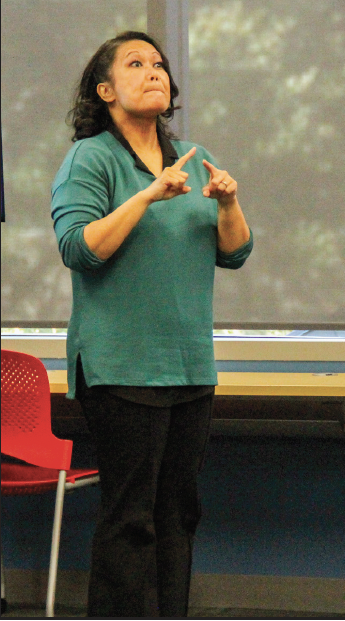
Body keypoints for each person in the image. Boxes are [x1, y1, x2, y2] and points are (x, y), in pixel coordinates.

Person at [50, 31, 253, 617]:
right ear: (105, 89)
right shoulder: (91, 157)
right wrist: (147, 197)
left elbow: (235, 253)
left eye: (159, 64)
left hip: (189, 363)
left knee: (179, 514)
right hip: (120, 365)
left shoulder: (193, 154)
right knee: (131, 516)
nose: (154, 72)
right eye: (136, 64)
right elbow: (79, 248)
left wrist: (229, 202)